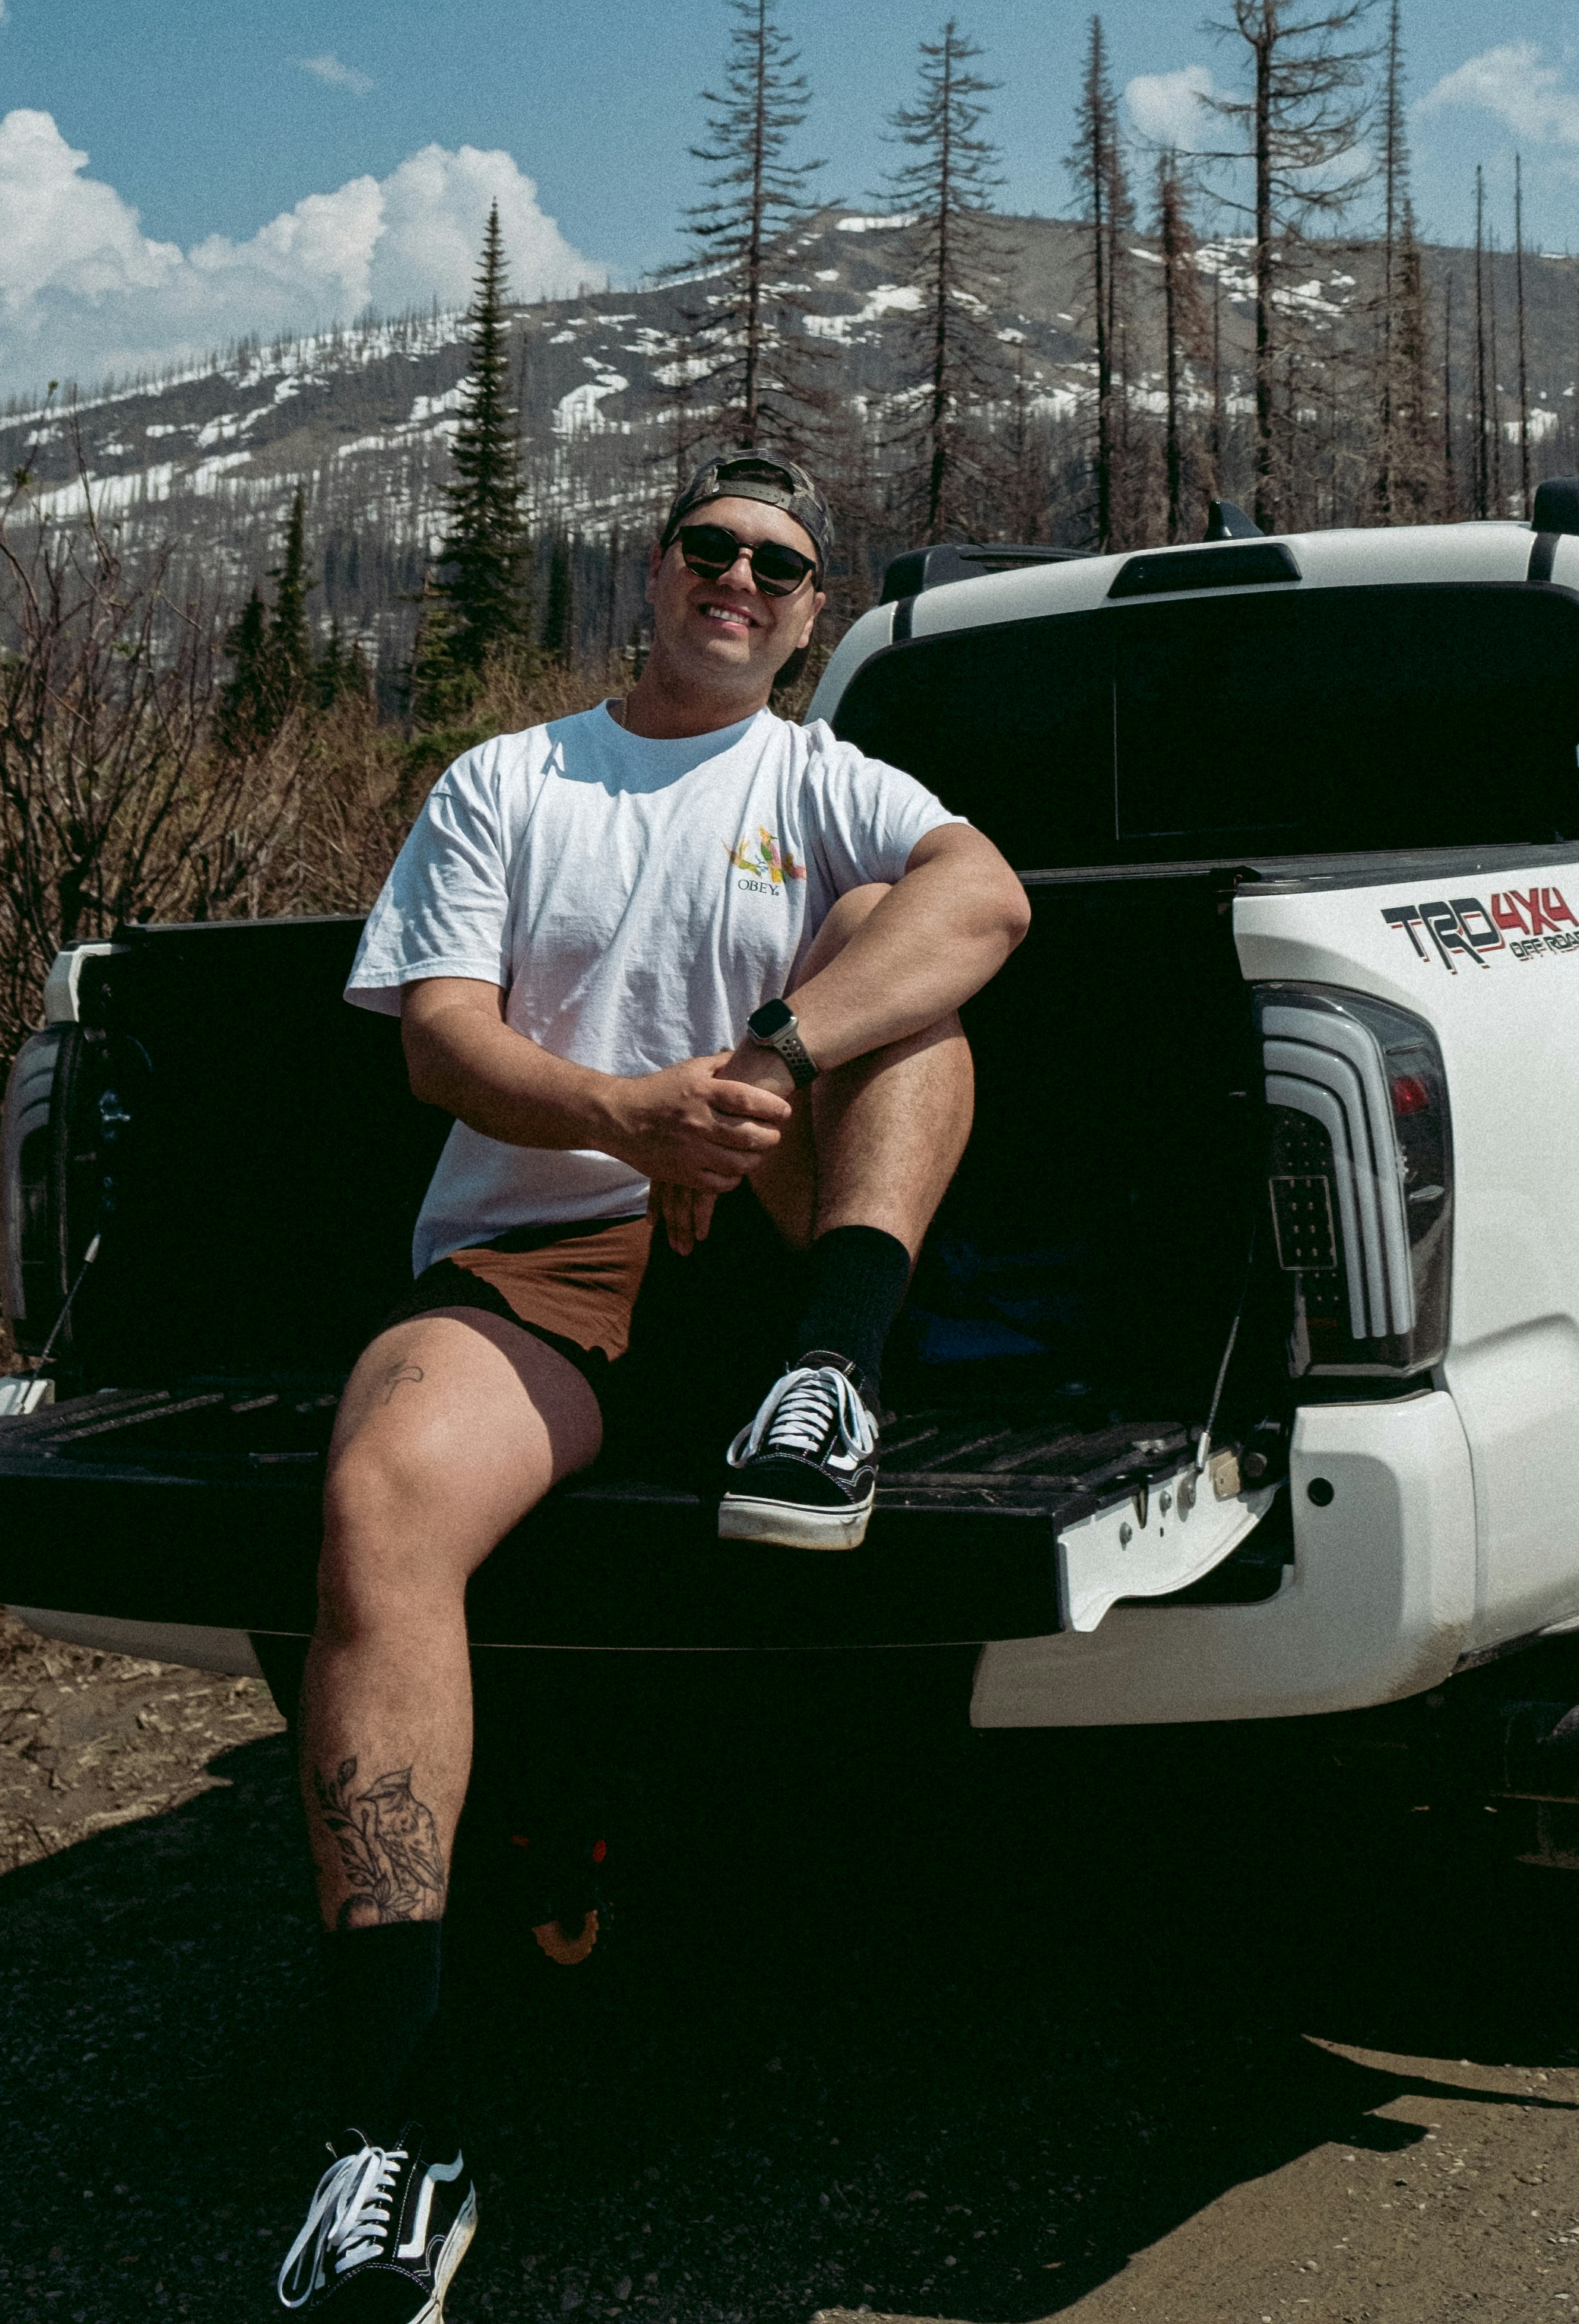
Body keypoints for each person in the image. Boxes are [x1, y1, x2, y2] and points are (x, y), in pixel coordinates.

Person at [269, 451, 1030, 2313]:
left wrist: (760, 1057)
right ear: (654, 569)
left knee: (900, 955)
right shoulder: (510, 781)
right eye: (711, 548)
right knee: (380, 1501)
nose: (740, 581)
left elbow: (989, 896)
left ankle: (824, 1384)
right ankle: (394, 2132)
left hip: (773, 1226)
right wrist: (629, 1116)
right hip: (543, 1247)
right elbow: (444, 1043)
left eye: (778, 564)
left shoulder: (822, 777)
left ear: (806, 614)